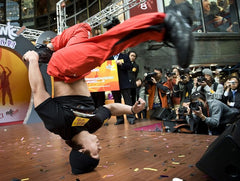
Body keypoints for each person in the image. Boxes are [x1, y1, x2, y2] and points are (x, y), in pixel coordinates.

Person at [23, 7, 194, 174]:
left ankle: (167, 22)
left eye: (96, 152)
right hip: (76, 67)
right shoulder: (91, 125)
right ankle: (50, 47)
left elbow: (38, 90)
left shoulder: (59, 125)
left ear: (81, 151)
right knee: (83, 29)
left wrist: (33, 59)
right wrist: (132, 110)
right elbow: (111, 109)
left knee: (110, 46)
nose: (100, 147)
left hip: (63, 68)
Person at [109, 52, 136, 125]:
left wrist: (121, 64)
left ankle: (131, 117)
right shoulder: (109, 57)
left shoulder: (125, 56)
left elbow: (130, 66)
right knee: (117, 101)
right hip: (113, 82)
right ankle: (119, 119)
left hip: (124, 82)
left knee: (128, 101)